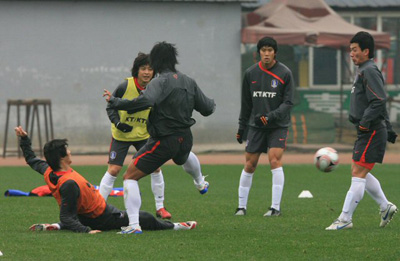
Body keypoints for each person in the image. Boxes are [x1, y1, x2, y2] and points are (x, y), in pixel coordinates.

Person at [103, 41, 215, 234]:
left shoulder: (159, 81)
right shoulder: (189, 81)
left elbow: (146, 100)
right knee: (185, 155)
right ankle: (200, 182)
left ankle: (134, 225)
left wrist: (116, 102)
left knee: (129, 177)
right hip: (185, 138)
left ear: (155, 61)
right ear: (174, 60)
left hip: (164, 140)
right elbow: (207, 109)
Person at [14, 126, 197, 234]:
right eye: (67, 150)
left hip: (88, 214)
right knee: (145, 217)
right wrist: (87, 231)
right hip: (102, 217)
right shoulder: (68, 183)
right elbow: (67, 215)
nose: (70, 151)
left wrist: (24, 140)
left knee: (75, 217)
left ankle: (55, 226)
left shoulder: (49, 170)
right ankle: (176, 227)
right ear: (62, 157)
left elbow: (31, 160)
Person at [326, 31, 398, 230]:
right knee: (359, 172)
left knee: (358, 173)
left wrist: (366, 122)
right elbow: (377, 101)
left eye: (354, 50)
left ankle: (345, 218)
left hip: (372, 130)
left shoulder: (369, 71)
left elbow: (379, 100)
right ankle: (385, 206)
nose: (351, 53)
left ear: (366, 51)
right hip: (369, 130)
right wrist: (388, 128)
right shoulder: (364, 70)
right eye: (350, 50)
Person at [99, 52, 171, 220]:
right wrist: (118, 123)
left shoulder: (157, 87)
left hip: (144, 135)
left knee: (156, 167)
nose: (147, 72)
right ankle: (99, 206)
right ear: (137, 71)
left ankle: (160, 207)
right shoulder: (125, 86)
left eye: (150, 69)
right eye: (143, 68)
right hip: (121, 135)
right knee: (114, 169)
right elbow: (111, 106)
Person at [235, 36, 294, 217]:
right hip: (256, 126)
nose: (266, 53)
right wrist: (241, 127)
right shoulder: (250, 73)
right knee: (250, 164)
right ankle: (241, 207)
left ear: (275, 52)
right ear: (258, 52)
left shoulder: (285, 73)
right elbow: (246, 104)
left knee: (274, 160)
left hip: (277, 125)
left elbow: (288, 102)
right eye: (263, 50)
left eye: (270, 50)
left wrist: (271, 117)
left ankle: (275, 207)